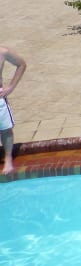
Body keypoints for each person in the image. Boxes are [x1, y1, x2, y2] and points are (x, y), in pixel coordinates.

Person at [0, 45, 27, 175]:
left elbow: (21, 65)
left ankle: (8, 159)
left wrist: (10, 87)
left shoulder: (2, 51)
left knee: (5, 129)